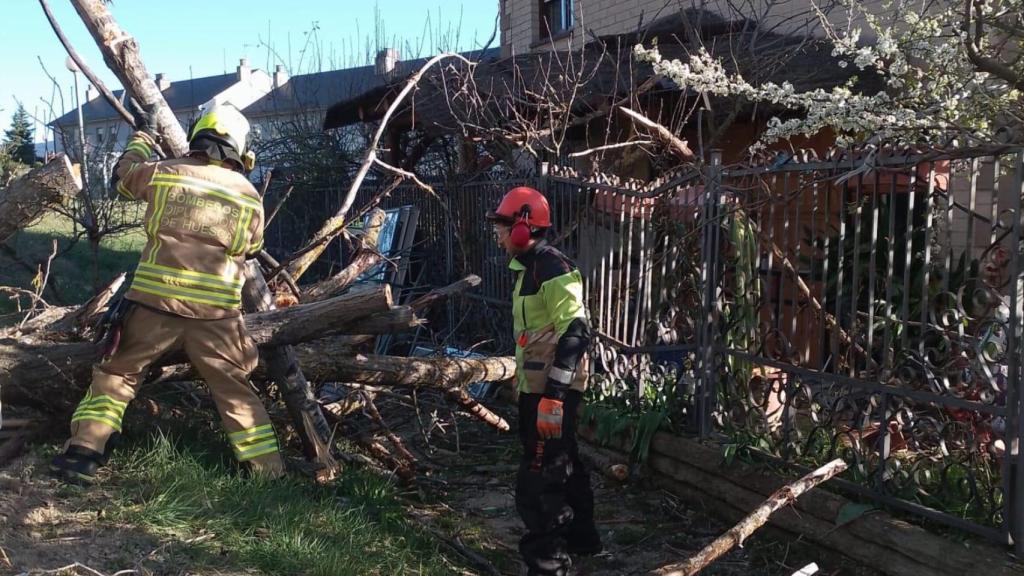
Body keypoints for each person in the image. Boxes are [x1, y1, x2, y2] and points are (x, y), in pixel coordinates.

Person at [50, 103, 284, 484]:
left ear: (196, 140)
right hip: (217, 318)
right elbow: (253, 247)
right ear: (242, 154)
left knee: (117, 374)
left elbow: (122, 179)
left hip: (152, 306)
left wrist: (143, 137)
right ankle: (268, 474)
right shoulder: (248, 195)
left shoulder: (164, 173)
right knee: (234, 388)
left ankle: (82, 454)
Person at [487, 186, 603, 576]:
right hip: (539, 388)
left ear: (522, 227)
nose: (498, 236)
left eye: (502, 227)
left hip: (550, 393)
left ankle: (547, 563)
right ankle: (583, 540)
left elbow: (577, 330)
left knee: (540, 476)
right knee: (563, 460)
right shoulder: (529, 268)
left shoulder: (552, 267)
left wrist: (554, 394)